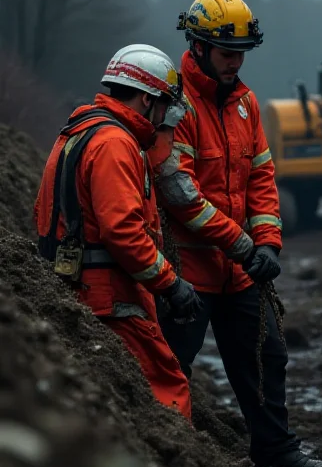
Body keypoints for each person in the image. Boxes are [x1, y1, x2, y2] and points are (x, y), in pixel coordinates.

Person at [155, 0, 322, 467]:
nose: (236, 63)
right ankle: (162, 458)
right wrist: (244, 244)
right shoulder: (176, 106)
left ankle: (276, 451)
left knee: (268, 357)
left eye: (241, 53)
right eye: (226, 53)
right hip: (188, 272)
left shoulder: (246, 104)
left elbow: (261, 176)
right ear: (197, 47)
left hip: (240, 271)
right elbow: (182, 195)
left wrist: (267, 243)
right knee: (170, 367)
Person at [35, 44, 203, 421]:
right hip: (110, 300)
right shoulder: (116, 144)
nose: (164, 121)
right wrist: (171, 284)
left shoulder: (78, 132)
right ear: (146, 99)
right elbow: (124, 232)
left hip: (78, 291)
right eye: (163, 106)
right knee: (167, 389)